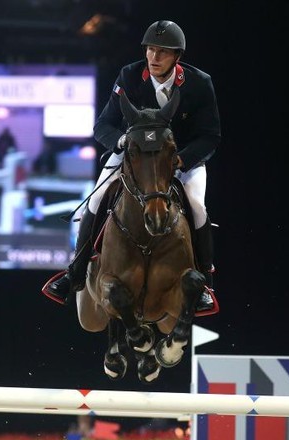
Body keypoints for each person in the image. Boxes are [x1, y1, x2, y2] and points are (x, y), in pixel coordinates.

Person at [43, 20, 221, 311]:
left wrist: (182, 159)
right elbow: (103, 125)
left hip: (180, 160)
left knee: (197, 206)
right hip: (133, 156)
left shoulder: (199, 83)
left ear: (177, 56)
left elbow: (210, 135)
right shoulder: (128, 76)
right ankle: (73, 274)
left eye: (162, 52)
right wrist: (122, 140)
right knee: (97, 198)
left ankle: (204, 284)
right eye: (151, 50)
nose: (154, 58)